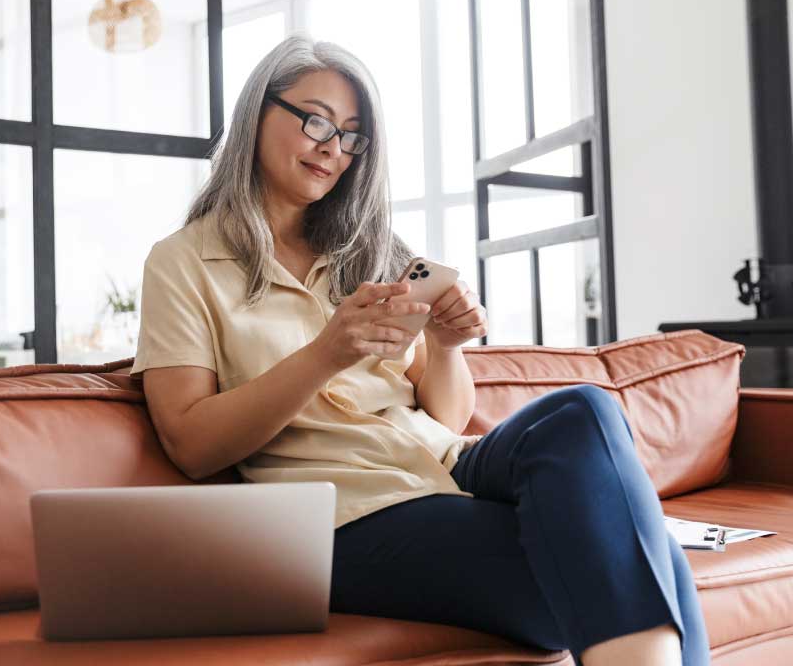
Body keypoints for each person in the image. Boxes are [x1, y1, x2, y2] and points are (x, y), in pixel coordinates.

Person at [128, 33, 709, 666]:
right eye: (316, 119)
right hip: (339, 514)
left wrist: (444, 342)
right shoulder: (183, 263)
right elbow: (189, 444)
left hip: (444, 469)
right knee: (639, 556)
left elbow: (448, 419)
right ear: (257, 113)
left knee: (584, 412)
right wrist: (326, 353)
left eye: (352, 135)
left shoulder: (373, 252)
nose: (333, 146)